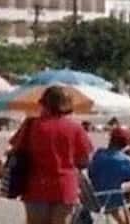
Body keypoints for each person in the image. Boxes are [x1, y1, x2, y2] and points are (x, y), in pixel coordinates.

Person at [12, 85, 94, 224]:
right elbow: (84, 159)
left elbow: (15, 149)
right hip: (65, 186)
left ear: (44, 103)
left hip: (35, 185)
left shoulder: (31, 125)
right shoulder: (75, 127)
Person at [86, 128, 130, 224]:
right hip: (111, 199)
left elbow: (91, 173)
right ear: (126, 143)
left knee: (121, 191)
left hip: (93, 199)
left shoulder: (98, 154)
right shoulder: (125, 160)